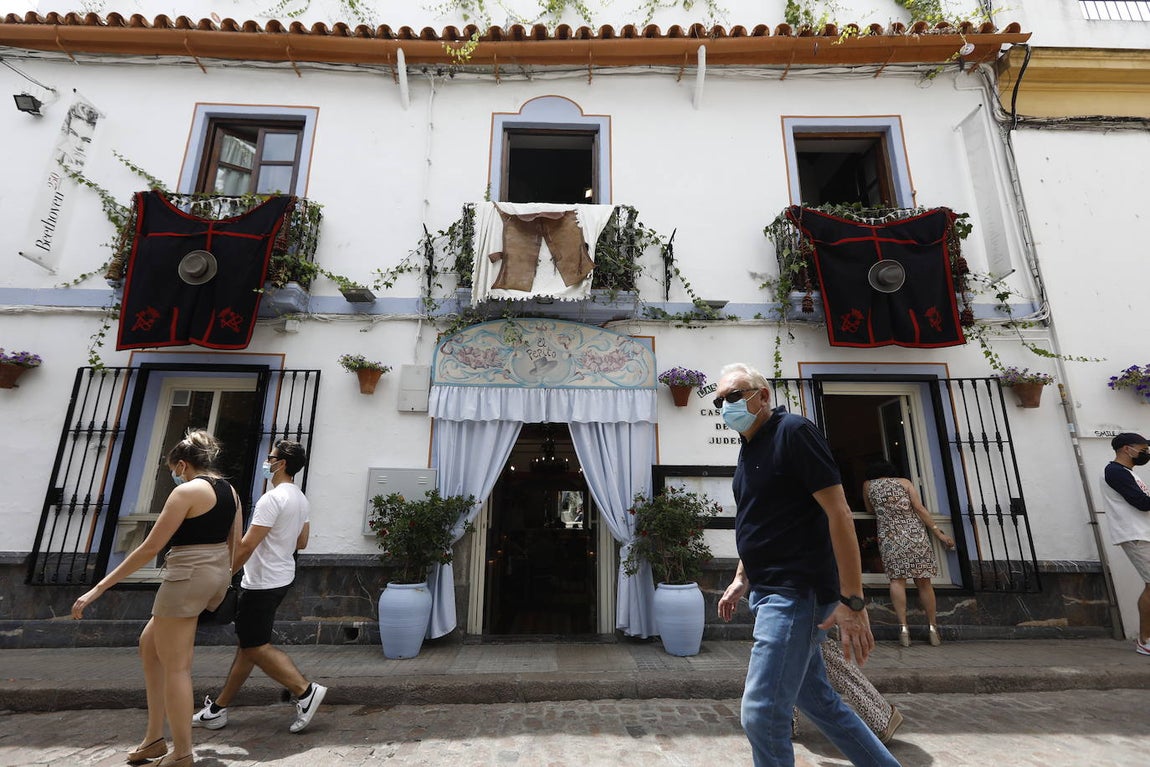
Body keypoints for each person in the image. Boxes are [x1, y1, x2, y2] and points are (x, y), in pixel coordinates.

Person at [714, 363, 899, 767]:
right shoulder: (750, 447)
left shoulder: (793, 432)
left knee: (761, 714)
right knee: (819, 701)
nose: (726, 405)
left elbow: (840, 513)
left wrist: (852, 600)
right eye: (719, 400)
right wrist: (741, 577)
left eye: (734, 395)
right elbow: (760, 520)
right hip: (769, 590)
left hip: (795, 592)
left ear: (763, 395)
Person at [72, 430, 241, 767]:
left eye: (172, 469)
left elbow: (150, 547)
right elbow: (235, 542)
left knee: (177, 667)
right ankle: (153, 738)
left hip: (186, 578)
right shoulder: (230, 491)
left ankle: (182, 753)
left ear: (183, 464)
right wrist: (222, 582)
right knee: (149, 645)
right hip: (213, 575)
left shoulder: (186, 492)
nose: (174, 475)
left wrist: (99, 588)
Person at [192, 440, 328, 733]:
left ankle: (304, 691)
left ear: (282, 464)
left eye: (271, 457)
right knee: (248, 646)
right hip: (281, 577)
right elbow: (302, 541)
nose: (267, 461)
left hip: (261, 582)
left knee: (255, 646)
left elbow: (247, 545)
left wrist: (223, 575)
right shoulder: (300, 499)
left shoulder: (272, 499)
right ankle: (218, 709)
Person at [862, 461, 955, 647]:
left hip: (890, 537)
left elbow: (870, 510)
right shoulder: (904, 482)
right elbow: (919, 508)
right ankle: (933, 629)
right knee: (924, 583)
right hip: (915, 536)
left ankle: (904, 630)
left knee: (897, 581)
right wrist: (939, 533)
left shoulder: (868, 485)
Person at [1099, 432, 1150, 656]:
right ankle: (1145, 640)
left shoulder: (1127, 473)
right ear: (1126, 449)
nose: (1146, 453)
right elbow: (1141, 502)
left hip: (1142, 533)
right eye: (1143, 449)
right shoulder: (1115, 472)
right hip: (1135, 535)